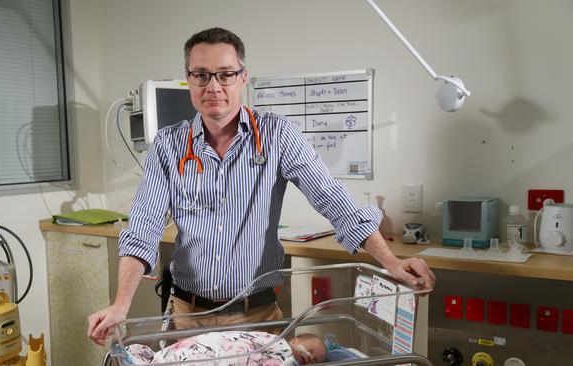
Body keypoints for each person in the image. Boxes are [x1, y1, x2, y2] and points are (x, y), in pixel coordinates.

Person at [88, 27, 435, 345]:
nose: (213, 86)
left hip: (258, 316)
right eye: (201, 75)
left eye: (225, 74)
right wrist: (121, 305)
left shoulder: (277, 136)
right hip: (187, 316)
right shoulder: (168, 146)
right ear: (189, 80)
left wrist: (391, 262)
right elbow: (143, 227)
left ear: (242, 78)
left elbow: (335, 201)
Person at [124, 331, 326, 365]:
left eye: (316, 361)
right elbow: (240, 341)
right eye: (311, 350)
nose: (311, 357)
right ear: (294, 340)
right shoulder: (277, 342)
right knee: (199, 350)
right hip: (217, 346)